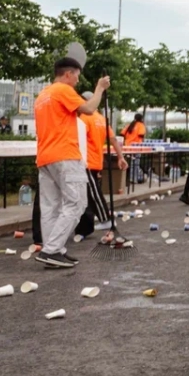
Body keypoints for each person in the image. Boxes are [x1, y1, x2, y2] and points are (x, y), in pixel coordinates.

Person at [33, 56, 111, 268]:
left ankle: (53, 251)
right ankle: (51, 250)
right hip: (65, 155)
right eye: (76, 75)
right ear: (67, 74)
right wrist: (99, 88)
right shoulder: (63, 90)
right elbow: (89, 108)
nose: (77, 80)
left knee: (51, 207)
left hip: (45, 157)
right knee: (76, 203)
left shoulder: (42, 95)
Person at [75, 91, 126, 243]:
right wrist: (121, 157)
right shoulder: (102, 120)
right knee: (86, 196)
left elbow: (78, 140)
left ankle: (106, 219)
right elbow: (113, 140)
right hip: (96, 161)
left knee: (92, 194)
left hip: (85, 162)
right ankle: (84, 228)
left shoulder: (84, 118)